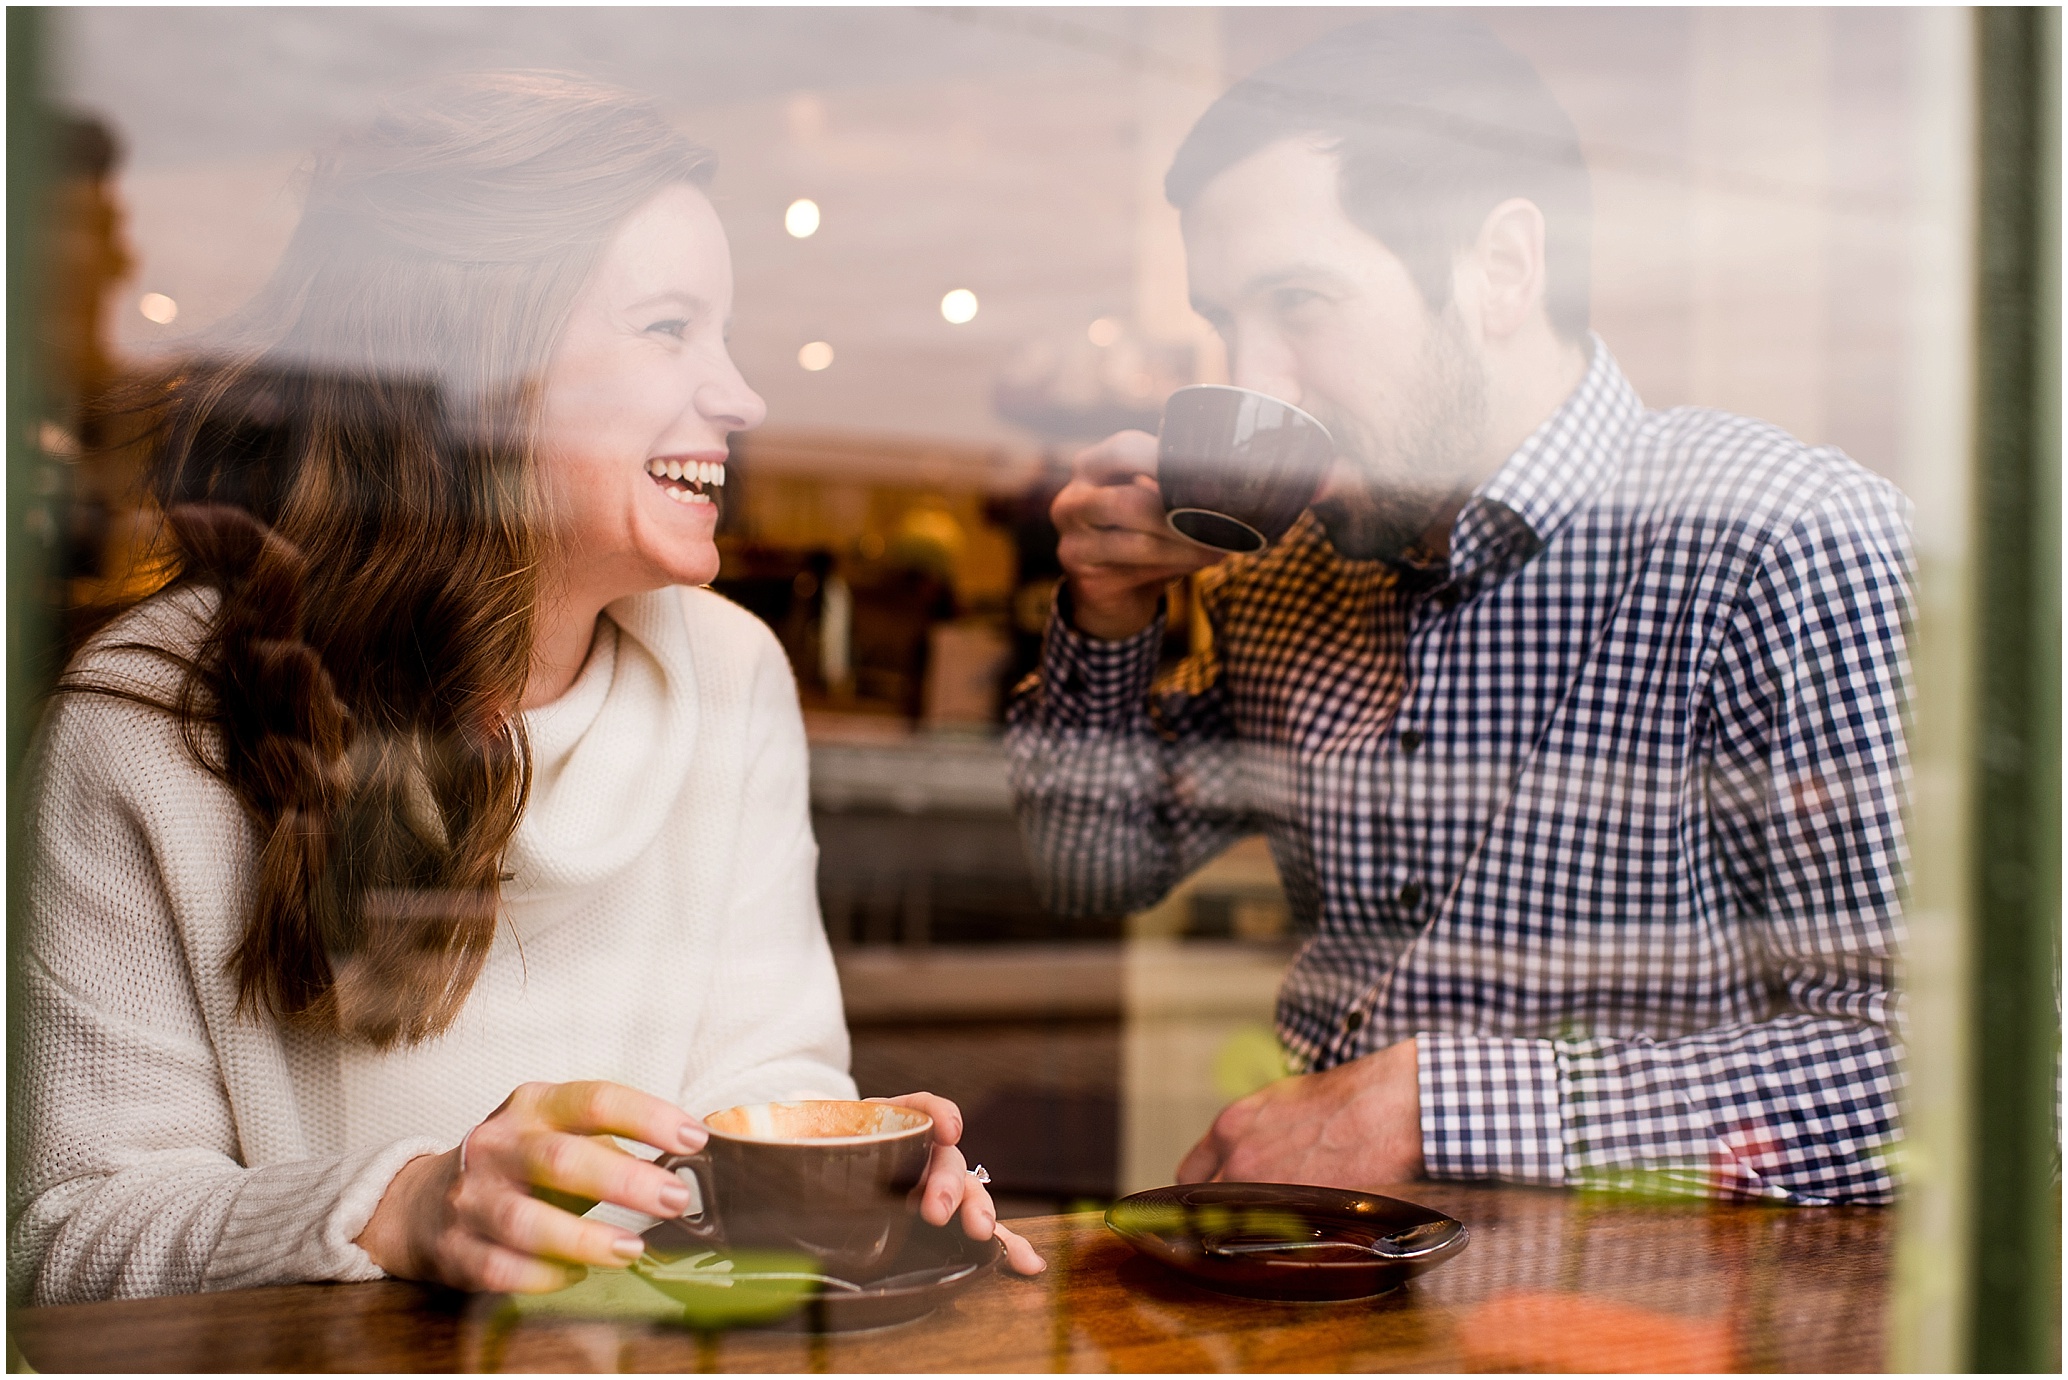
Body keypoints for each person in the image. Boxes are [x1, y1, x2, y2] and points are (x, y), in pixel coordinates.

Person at [11, 72, 1042, 1306]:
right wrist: (393, 1206)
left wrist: (855, 1175)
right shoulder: (148, 720)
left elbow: (765, 1077)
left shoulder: (731, 670)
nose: (745, 396)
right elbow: (62, 1235)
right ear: (473, 371)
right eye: (669, 329)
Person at [1007, 13, 1907, 1204]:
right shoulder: (1290, 575)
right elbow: (1091, 868)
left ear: (1499, 269)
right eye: (1227, 322)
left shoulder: (1778, 545)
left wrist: (1432, 1105)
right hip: (1340, 1295)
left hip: (1662, 1320)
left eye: (1299, 304)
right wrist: (1110, 611)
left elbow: (1953, 1067)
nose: (1248, 378)